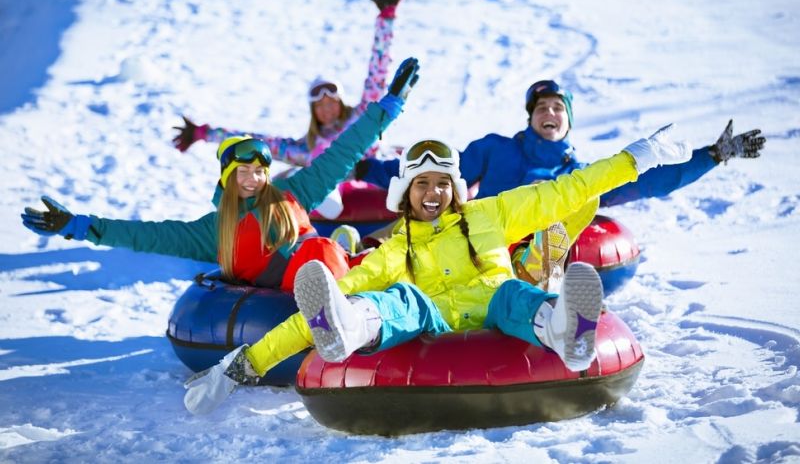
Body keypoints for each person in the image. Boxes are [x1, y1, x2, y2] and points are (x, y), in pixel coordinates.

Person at [182, 126, 691, 415]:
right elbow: (329, 295)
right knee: (390, 302)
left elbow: (567, 190)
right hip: (430, 317)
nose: (434, 193)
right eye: (422, 184)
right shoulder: (394, 248)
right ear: (406, 193)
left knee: (516, 296)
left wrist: (636, 157)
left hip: (494, 303)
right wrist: (242, 365)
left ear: (455, 188)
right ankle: (346, 331)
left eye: (442, 183)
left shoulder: (490, 213)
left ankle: (566, 331)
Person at [20, 58, 421, 292]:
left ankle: (356, 260)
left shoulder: (293, 192)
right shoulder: (215, 230)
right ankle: (337, 278)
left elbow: (342, 153)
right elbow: (147, 234)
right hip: (295, 289)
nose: (252, 179)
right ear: (227, 178)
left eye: (259, 171)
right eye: (241, 172)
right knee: (319, 255)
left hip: (330, 270)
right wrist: (81, 226)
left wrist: (388, 107)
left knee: (334, 252)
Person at [355, 79, 766, 205]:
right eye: (542, 108)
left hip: (537, 250)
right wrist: (362, 168)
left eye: (558, 109)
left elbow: (651, 181)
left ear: (568, 122)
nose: (549, 114)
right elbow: (438, 172)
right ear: (531, 116)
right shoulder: (496, 149)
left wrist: (712, 155)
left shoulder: (575, 175)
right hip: (486, 236)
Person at [171, 0, 405, 167]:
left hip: (373, 182)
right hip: (338, 202)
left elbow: (378, 72)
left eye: (330, 101)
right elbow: (258, 143)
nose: (327, 108)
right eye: (320, 106)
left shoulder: (363, 117)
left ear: (341, 102)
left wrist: (386, 19)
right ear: (313, 112)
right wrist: (204, 133)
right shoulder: (307, 149)